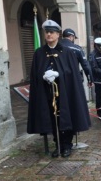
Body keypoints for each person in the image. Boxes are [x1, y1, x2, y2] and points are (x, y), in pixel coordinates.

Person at [27, 20, 91, 158]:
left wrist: (59, 74)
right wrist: (43, 75)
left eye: (52, 32)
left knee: (66, 118)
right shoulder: (39, 53)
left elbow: (72, 72)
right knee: (52, 118)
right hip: (47, 93)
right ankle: (58, 145)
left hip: (65, 93)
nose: (49, 35)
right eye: (47, 32)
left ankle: (67, 145)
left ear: (58, 34)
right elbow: (35, 73)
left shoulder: (67, 52)